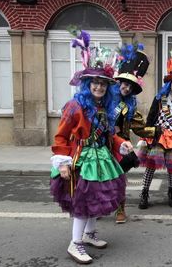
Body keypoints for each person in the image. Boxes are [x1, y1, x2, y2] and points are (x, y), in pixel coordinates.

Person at [49, 30, 133, 264]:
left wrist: (122, 143)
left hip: (102, 159)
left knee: (98, 199)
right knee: (84, 202)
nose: (99, 87)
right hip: (81, 160)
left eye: (103, 84)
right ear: (87, 84)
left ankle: (88, 234)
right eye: (95, 83)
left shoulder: (103, 108)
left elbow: (108, 134)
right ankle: (75, 244)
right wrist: (63, 162)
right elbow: (61, 137)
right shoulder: (75, 106)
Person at [135, 48, 172, 209]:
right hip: (158, 136)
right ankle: (144, 193)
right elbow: (151, 118)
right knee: (151, 165)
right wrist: (144, 136)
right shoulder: (159, 99)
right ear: (169, 84)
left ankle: (171, 192)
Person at [112, 43, 155, 223]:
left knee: (119, 180)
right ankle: (98, 207)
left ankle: (120, 209)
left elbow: (139, 127)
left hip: (122, 147)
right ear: (119, 82)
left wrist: (157, 131)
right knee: (100, 180)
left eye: (131, 86)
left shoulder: (131, 105)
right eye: (125, 84)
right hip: (102, 144)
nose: (127, 88)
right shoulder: (106, 98)